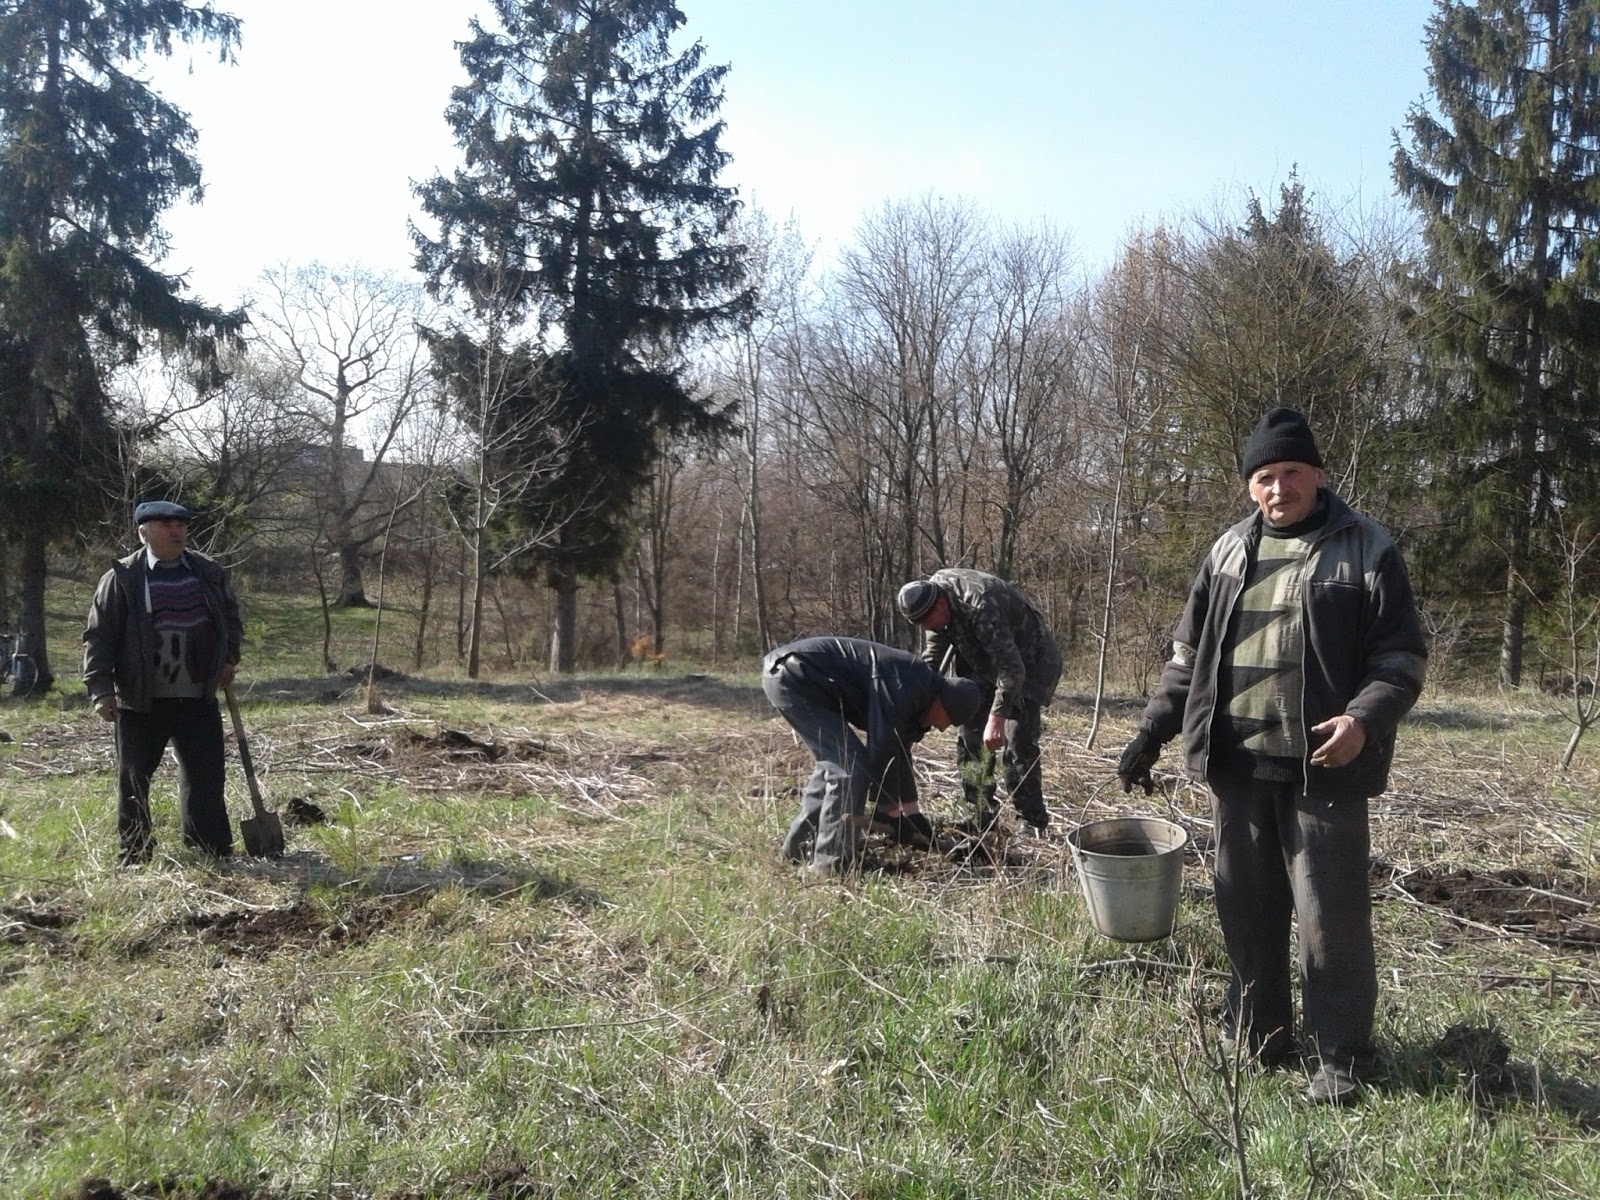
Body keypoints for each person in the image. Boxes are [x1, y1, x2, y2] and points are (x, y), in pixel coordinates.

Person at [1116, 407, 1426, 1105]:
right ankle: (1258, 1033)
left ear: (1317, 473)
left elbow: (1401, 657)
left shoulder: (1366, 548)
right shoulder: (1227, 551)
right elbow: (1187, 659)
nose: (1279, 488)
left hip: (1327, 769)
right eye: (1264, 477)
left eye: (1290, 473)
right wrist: (1151, 732)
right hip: (1237, 768)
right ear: (1250, 487)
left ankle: (1341, 1056)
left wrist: (1363, 720)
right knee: (1245, 908)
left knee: (1332, 917)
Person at [83, 500, 244, 865]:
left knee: (205, 778)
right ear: (144, 531)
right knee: (134, 779)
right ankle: (135, 852)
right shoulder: (122, 578)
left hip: (197, 696)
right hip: (140, 700)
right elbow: (99, 637)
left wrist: (230, 657)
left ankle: (210, 850)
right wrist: (101, 690)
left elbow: (230, 617)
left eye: (182, 524)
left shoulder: (207, 571)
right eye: (167, 524)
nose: (177, 531)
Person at [763, 635, 984, 874]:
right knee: (850, 769)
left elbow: (899, 749)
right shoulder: (907, 682)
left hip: (798, 676)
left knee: (835, 764)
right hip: (796, 676)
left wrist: (912, 812)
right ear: (944, 704)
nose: (942, 728)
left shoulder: (919, 692)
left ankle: (798, 850)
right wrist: (889, 811)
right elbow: (882, 745)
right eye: (948, 721)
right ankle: (832, 865)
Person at [896, 569, 1062, 834]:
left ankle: (1032, 821)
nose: (928, 627)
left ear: (941, 603)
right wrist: (915, 702)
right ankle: (980, 815)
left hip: (1029, 662)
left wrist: (997, 718)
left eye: (929, 621)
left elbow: (1012, 669)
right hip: (981, 662)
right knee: (971, 735)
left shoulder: (981, 605)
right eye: (921, 624)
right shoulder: (932, 604)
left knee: (1017, 740)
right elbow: (932, 660)